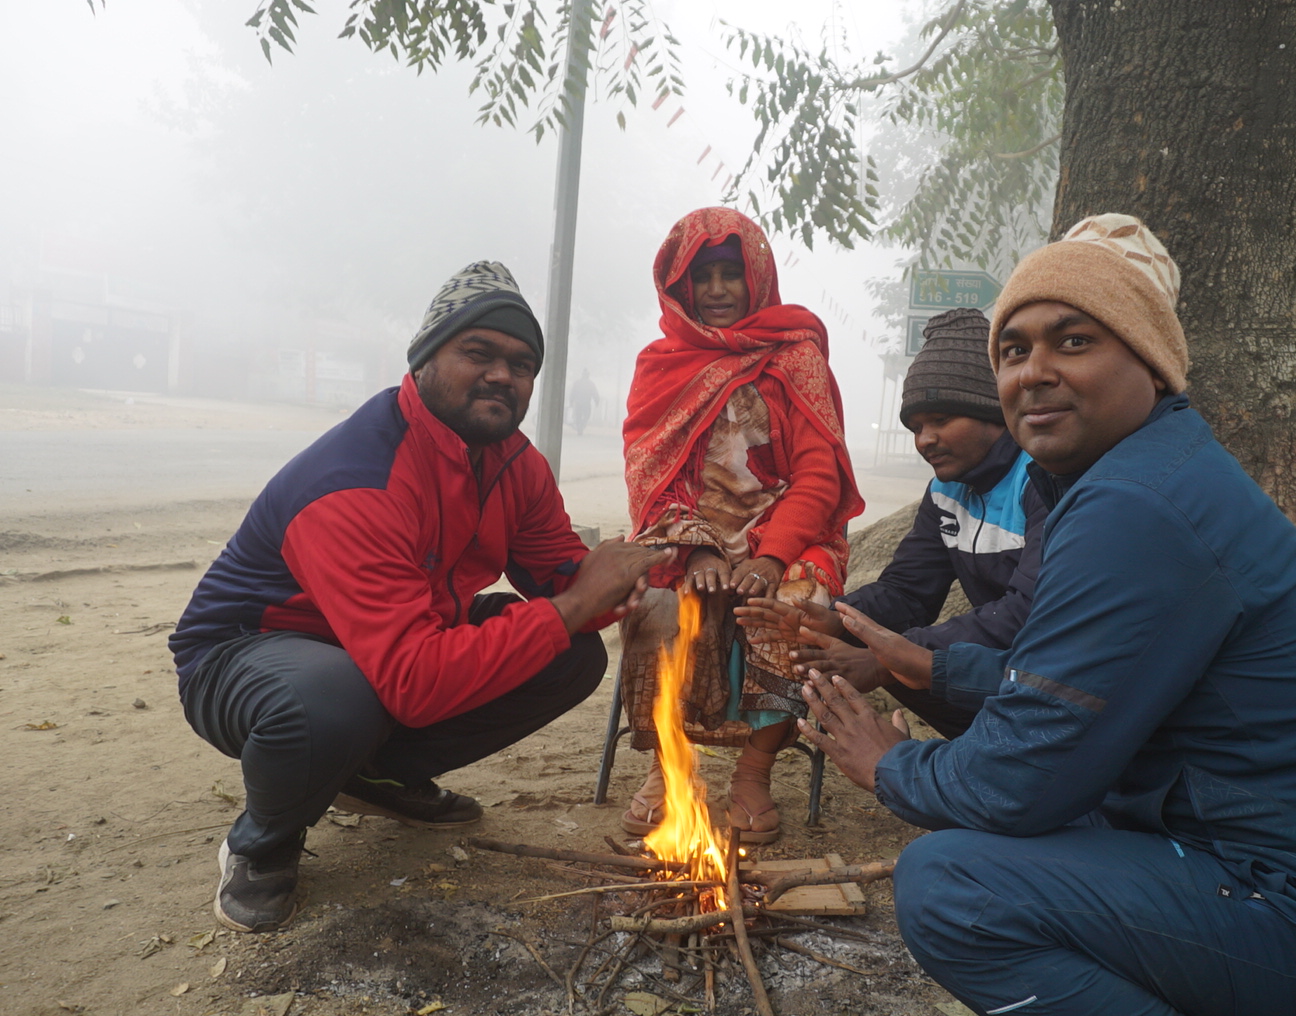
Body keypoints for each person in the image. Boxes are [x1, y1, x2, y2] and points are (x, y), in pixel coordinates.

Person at [793, 216, 1296, 1016]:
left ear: (1150, 360)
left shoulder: (1137, 505)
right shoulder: (1137, 476)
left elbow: (1015, 778)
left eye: (1073, 341)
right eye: (1014, 351)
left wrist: (889, 766)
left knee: (951, 887)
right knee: (1038, 827)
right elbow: (1069, 679)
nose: (1034, 372)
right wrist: (920, 660)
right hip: (1279, 872)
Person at [170, 261, 668, 934]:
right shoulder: (357, 478)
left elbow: (563, 582)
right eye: (479, 352)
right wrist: (578, 604)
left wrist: (653, 578)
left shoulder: (514, 463)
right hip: (248, 658)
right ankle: (262, 842)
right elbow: (413, 682)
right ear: (426, 358)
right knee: (334, 698)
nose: (503, 375)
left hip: (394, 645)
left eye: (522, 364)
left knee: (571, 655)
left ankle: (380, 776)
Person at [618, 207, 863, 844]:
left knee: (793, 608)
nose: (720, 288)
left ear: (757, 277)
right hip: (687, 534)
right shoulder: (660, 363)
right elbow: (651, 478)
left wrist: (773, 556)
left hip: (788, 534)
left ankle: (754, 773)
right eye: (705, 276)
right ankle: (667, 765)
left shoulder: (798, 357)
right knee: (654, 606)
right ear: (680, 285)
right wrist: (698, 554)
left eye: (733, 273)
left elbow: (819, 477)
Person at [738, 307, 1045, 739]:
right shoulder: (946, 490)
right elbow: (907, 592)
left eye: (941, 420)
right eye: (916, 427)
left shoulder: (1042, 482)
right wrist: (838, 619)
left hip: (1051, 671)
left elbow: (1024, 614)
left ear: (994, 414)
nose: (925, 441)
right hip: (996, 666)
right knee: (877, 653)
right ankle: (989, 752)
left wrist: (889, 661)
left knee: (896, 664)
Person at [568, 370, 600, 435]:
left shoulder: (577, 383)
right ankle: (581, 426)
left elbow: (573, 393)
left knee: (578, 416)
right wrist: (597, 401)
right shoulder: (590, 384)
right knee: (586, 416)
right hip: (586, 403)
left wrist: (571, 401)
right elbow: (595, 393)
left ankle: (579, 427)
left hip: (578, 403)